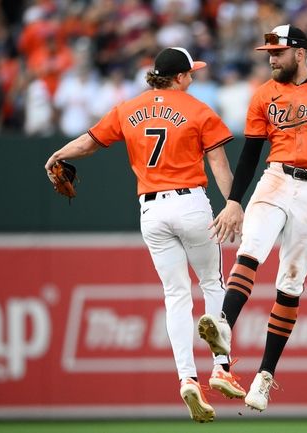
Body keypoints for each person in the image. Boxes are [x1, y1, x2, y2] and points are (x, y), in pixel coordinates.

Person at [44, 47, 245, 423]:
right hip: (190, 203)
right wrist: (234, 203)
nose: (193, 78)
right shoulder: (198, 109)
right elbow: (218, 162)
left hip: (151, 210)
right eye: (191, 73)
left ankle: (187, 378)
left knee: (175, 296)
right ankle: (221, 367)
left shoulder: (128, 108)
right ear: (180, 77)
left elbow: (88, 142)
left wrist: (58, 154)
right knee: (213, 283)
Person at [197, 25, 307, 412]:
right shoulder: (263, 94)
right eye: (269, 53)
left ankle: (264, 376)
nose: (271, 58)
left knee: (291, 281)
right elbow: (251, 153)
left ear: (300, 53)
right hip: (275, 178)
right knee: (251, 249)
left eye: (278, 52)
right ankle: (223, 324)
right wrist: (234, 200)